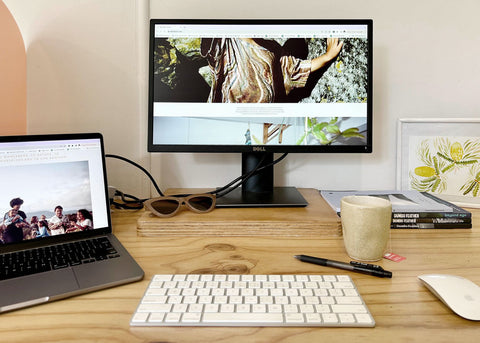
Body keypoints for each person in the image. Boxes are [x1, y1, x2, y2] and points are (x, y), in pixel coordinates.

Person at [200, 37, 343, 103]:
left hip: (265, 123)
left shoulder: (272, 47)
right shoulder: (225, 42)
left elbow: (292, 69)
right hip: (231, 122)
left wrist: (327, 56)